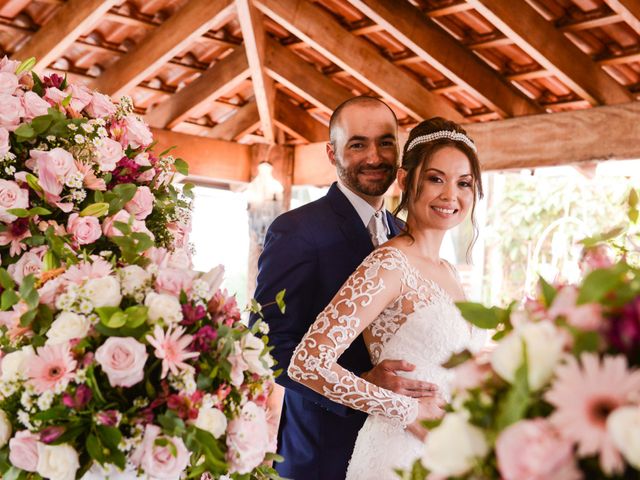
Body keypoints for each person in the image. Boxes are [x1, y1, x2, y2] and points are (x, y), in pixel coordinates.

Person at [288, 117, 487, 479]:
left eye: (464, 183)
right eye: (435, 178)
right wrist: (407, 411)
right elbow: (308, 363)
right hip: (396, 453)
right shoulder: (389, 263)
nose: (450, 195)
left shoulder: (450, 271)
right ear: (406, 180)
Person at [251, 96, 438, 479]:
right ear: (332, 152)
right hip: (323, 450)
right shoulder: (297, 231)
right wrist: (359, 385)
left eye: (386, 142)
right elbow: (265, 343)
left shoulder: (406, 233)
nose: (375, 156)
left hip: (398, 447)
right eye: (358, 144)